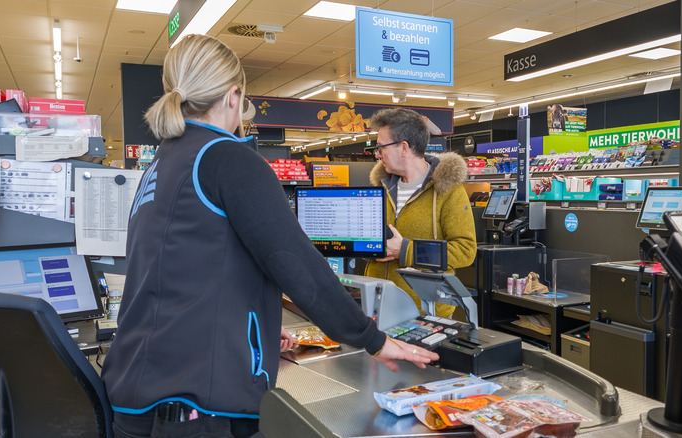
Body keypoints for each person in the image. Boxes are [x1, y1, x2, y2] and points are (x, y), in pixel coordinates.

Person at [100, 34, 438, 438]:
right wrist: (373, 339)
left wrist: (259, 319)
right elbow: (296, 263)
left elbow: (179, 268)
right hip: (198, 403)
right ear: (233, 95)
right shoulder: (228, 158)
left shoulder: (165, 161)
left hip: (139, 390)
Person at [364, 108, 477, 318]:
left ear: (404, 148)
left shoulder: (449, 190)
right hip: (378, 306)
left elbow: (465, 251)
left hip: (426, 312)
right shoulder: (379, 188)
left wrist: (406, 250)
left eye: (381, 147)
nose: (377, 154)